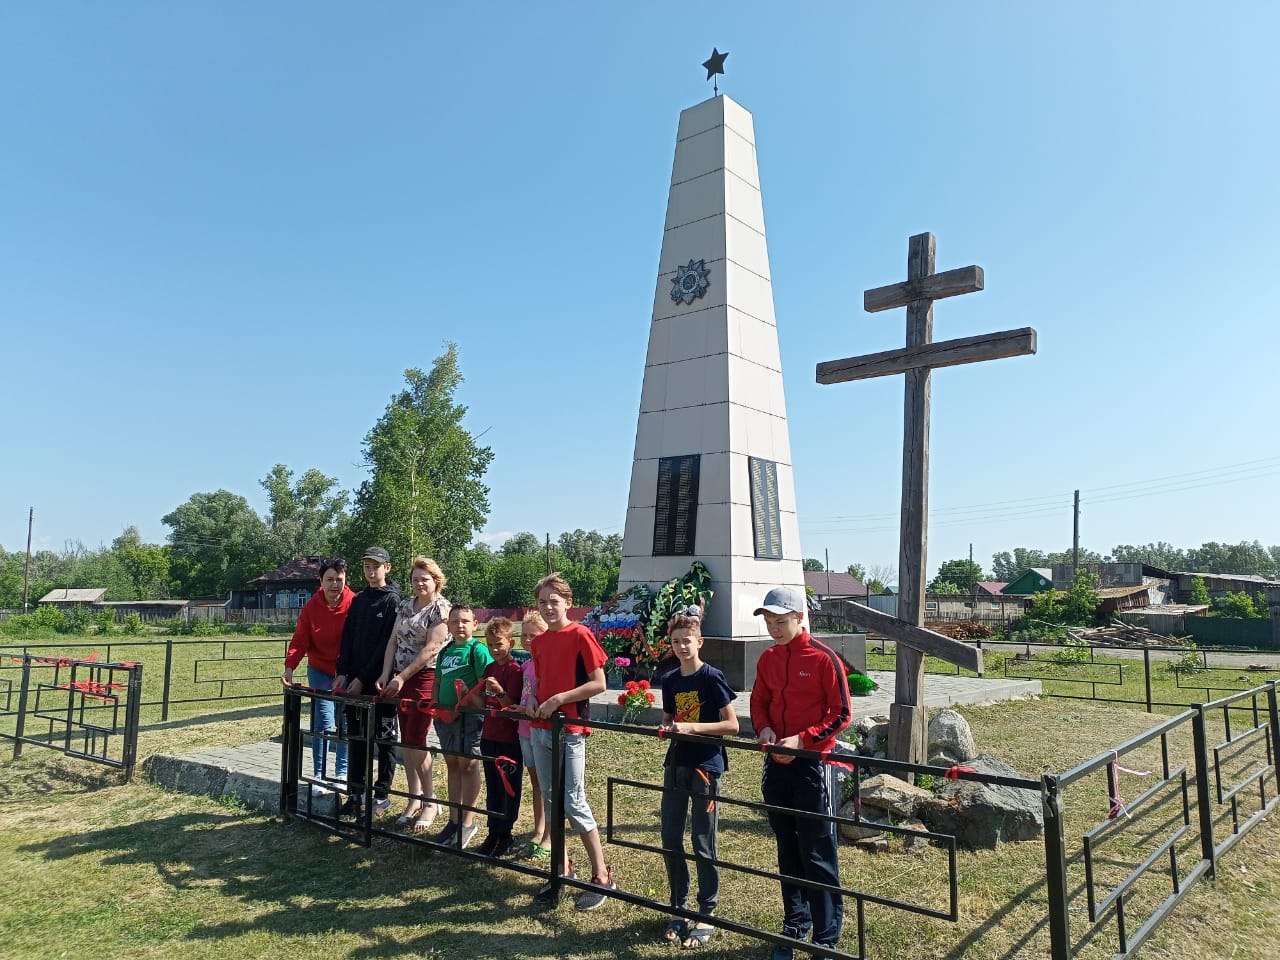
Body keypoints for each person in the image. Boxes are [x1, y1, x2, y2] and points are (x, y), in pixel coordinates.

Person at [749, 586, 852, 960]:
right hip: (775, 765)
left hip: (812, 766)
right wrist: (763, 729)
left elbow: (841, 713)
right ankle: (795, 924)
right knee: (786, 845)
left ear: (799, 618)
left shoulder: (825, 659)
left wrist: (803, 741)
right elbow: (759, 699)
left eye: (780, 621)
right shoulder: (768, 659)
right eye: (769, 622)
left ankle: (826, 937)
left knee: (817, 849)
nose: (774, 629)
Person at [527, 572, 615, 911]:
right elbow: (539, 681)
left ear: (568, 602)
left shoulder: (581, 634)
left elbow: (599, 682)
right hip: (540, 728)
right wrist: (534, 697)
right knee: (550, 801)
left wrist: (560, 699)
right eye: (543, 602)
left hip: (571, 730)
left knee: (574, 800)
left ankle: (601, 874)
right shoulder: (538, 642)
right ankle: (560, 869)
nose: (549, 607)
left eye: (554, 601)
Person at [657, 604, 738, 949]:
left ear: (699, 641)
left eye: (687, 641)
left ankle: (707, 913)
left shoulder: (712, 677)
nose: (682, 647)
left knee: (703, 842)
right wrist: (666, 727)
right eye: (676, 642)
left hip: (707, 764)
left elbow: (732, 725)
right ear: (670, 644)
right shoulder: (670, 680)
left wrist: (692, 726)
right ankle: (680, 906)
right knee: (670, 836)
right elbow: (667, 716)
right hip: (676, 763)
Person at [379, 556, 451, 832]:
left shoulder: (441, 608)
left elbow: (431, 649)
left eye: (425, 578)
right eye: (415, 578)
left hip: (424, 677)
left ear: (436, 580)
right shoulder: (405, 605)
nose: (419, 583)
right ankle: (414, 796)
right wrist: (387, 674)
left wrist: (402, 676)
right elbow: (393, 641)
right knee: (406, 740)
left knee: (417, 739)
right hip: (398, 678)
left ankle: (431, 800)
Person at [333, 547, 402, 818]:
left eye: (376, 566)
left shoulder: (393, 601)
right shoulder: (359, 600)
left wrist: (364, 677)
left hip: (379, 684)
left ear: (388, 567)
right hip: (353, 683)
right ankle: (355, 794)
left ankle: (382, 796)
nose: (371, 572)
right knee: (357, 739)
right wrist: (343, 671)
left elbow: (388, 643)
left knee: (384, 741)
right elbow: (348, 637)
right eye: (366, 567)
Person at [282, 557, 354, 785]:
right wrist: (289, 667)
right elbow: (300, 639)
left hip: (346, 670)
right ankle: (319, 774)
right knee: (323, 719)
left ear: (345, 580)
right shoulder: (312, 606)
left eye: (339, 579)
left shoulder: (354, 603)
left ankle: (341, 773)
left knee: (344, 721)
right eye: (330, 579)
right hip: (320, 669)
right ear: (320, 581)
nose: (335, 584)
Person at [431, 603, 492, 849]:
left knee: (468, 765)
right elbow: (437, 681)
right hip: (445, 718)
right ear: (448, 624)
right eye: (455, 621)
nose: (460, 626)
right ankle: (453, 819)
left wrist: (469, 700)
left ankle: (469, 820)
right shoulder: (445, 652)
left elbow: (485, 686)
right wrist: (435, 705)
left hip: (469, 717)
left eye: (465, 621)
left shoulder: (477, 650)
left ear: (475, 624)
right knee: (452, 764)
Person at [476, 616, 525, 857]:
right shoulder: (489, 669)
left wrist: (500, 691)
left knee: (508, 787)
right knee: (493, 786)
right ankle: (493, 831)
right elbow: (482, 701)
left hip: (509, 739)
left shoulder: (515, 670)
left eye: (499, 644)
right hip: (489, 735)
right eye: (491, 644)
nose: (495, 649)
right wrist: (467, 692)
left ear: (511, 643)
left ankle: (506, 832)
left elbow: (513, 705)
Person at [516, 610, 550, 861]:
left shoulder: (547, 662)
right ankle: (538, 828)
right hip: (524, 729)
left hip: (540, 728)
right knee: (535, 783)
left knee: (547, 785)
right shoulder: (526, 664)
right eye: (524, 635)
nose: (528, 640)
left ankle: (549, 833)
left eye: (533, 635)